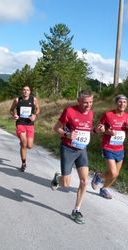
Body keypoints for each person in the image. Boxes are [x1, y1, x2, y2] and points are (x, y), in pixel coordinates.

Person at [51, 90, 94, 224]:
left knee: (84, 181)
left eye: (91, 102)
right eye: (85, 102)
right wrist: (66, 134)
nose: (88, 105)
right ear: (78, 101)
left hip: (82, 150)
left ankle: (76, 210)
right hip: (68, 149)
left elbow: (87, 130)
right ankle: (58, 178)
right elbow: (56, 128)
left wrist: (97, 130)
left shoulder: (91, 113)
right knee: (66, 184)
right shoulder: (69, 111)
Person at [91, 94, 128, 199]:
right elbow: (99, 128)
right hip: (108, 147)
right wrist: (107, 132)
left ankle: (104, 188)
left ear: (126, 104)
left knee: (115, 174)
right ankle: (99, 176)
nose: (122, 104)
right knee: (113, 173)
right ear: (116, 103)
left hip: (120, 149)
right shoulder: (108, 115)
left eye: (124, 102)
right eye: (120, 102)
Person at [9, 86, 40, 172]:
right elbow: (11, 110)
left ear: (30, 92)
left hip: (30, 124)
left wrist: (35, 115)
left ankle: (22, 143)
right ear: (22, 91)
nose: (26, 91)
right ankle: (23, 163)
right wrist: (14, 115)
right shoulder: (17, 100)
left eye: (27, 90)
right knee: (24, 143)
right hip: (20, 123)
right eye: (24, 90)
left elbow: (38, 109)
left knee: (29, 146)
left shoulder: (34, 99)